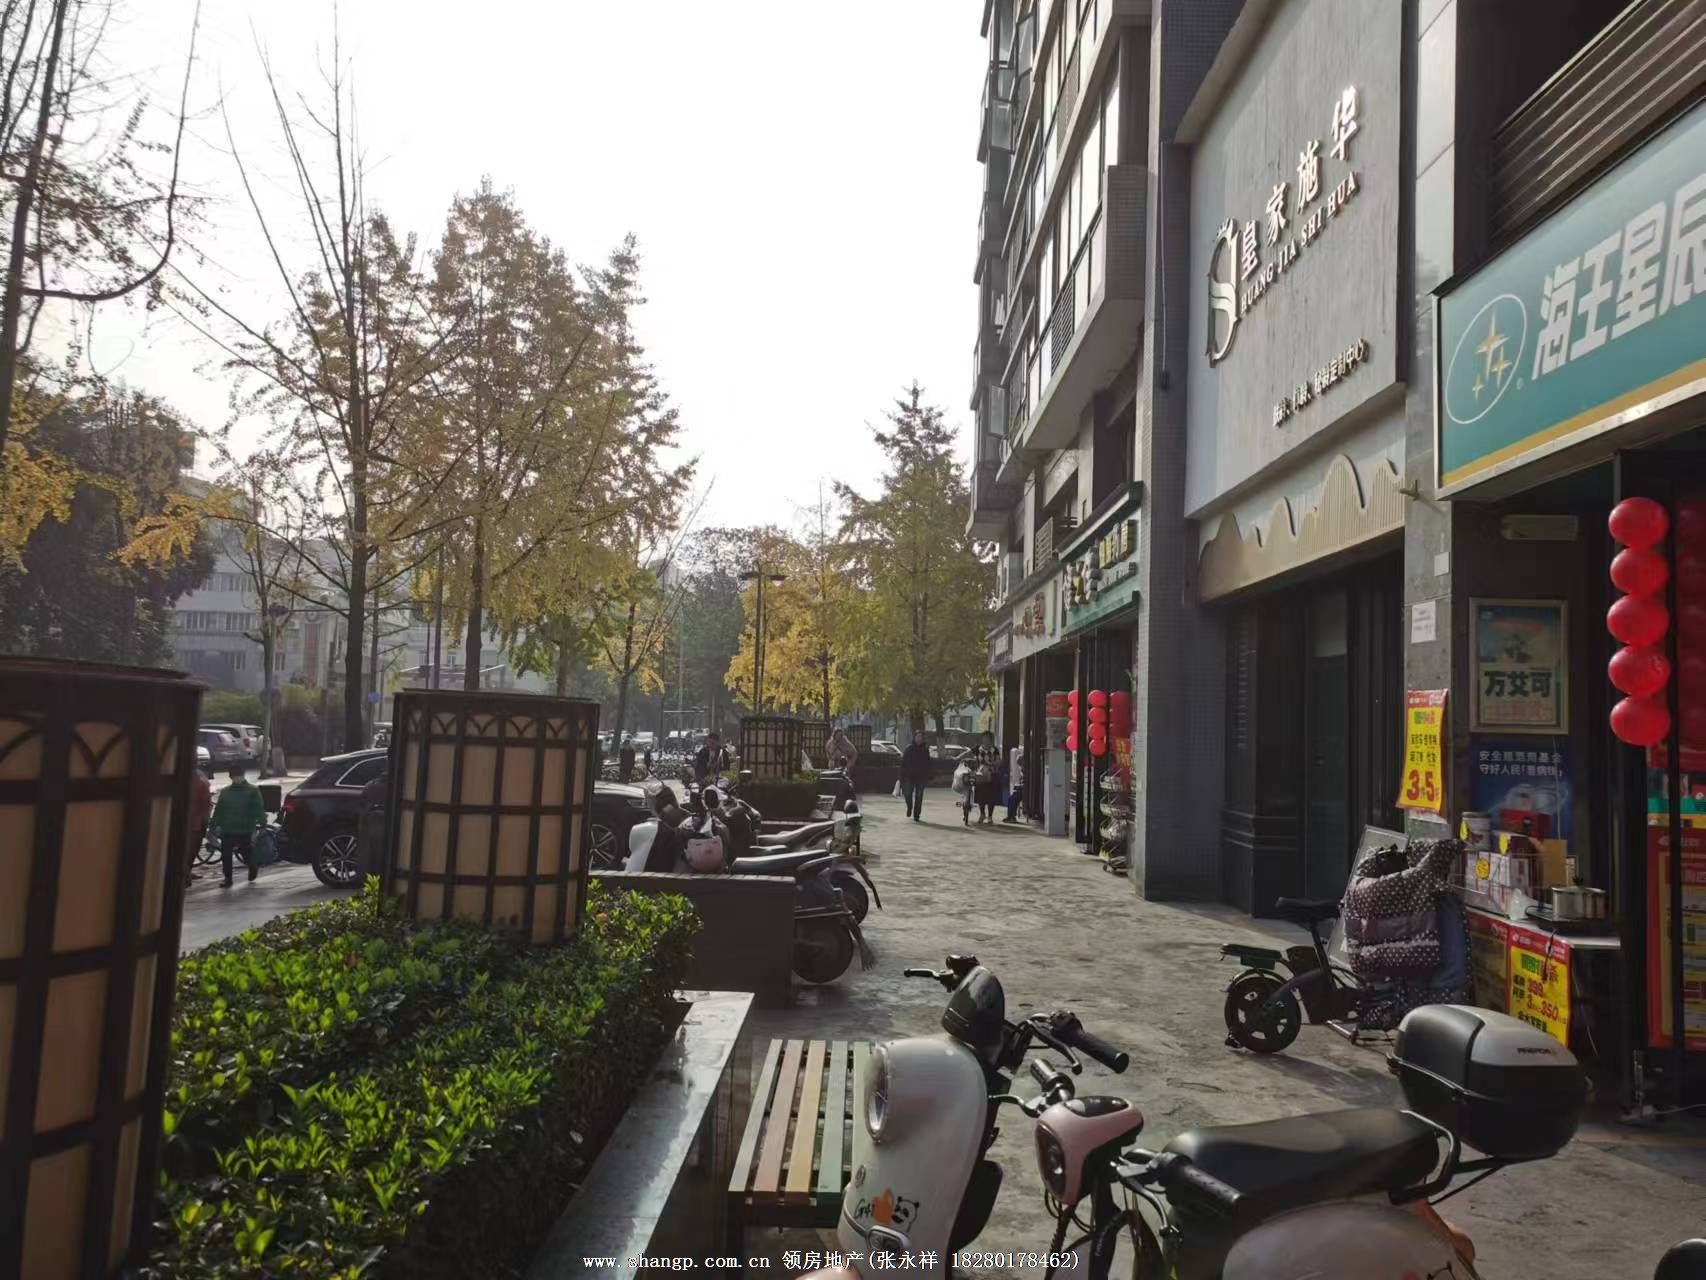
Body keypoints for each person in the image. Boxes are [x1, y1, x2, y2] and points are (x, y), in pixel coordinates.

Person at [209, 766, 265, 886]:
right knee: (229, 855)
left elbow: (258, 808)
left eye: (237, 776)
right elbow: (219, 810)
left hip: (241, 828)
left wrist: (262, 823)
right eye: (235, 776)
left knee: (243, 852)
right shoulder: (228, 792)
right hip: (231, 829)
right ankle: (229, 877)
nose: (237, 778)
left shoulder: (250, 791)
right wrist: (213, 825)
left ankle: (250, 868)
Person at [185, 769, 213, 886]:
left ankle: (186, 873)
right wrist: (206, 823)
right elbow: (206, 805)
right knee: (191, 851)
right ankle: (186, 874)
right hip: (196, 825)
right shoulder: (200, 783)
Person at [899, 729, 931, 822]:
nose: (919, 739)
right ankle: (909, 807)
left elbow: (928, 764)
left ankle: (917, 815)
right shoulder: (909, 749)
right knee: (908, 794)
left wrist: (929, 775)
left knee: (919, 796)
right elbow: (903, 763)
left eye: (921, 737)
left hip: (921, 777)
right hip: (909, 776)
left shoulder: (925, 750)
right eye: (918, 737)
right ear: (914, 738)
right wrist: (901, 776)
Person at [969, 735, 1000, 825]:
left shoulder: (995, 750)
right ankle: (982, 814)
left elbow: (998, 761)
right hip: (980, 774)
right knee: (980, 794)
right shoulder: (978, 749)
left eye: (987, 739)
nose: (985, 741)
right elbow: (970, 755)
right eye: (984, 739)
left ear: (991, 740)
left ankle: (990, 816)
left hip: (992, 774)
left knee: (991, 796)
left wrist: (993, 764)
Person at [1004, 747, 1026, 823]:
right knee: (1011, 798)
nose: (1020, 766)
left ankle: (1011, 817)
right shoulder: (1022, 770)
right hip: (1021, 788)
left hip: (1025, 790)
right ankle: (1010, 816)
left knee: (1014, 799)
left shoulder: (1027, 770)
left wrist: (1019, 785)